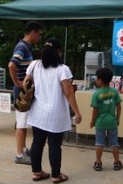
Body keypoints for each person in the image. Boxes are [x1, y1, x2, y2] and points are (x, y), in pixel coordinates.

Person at [25, 37, 82, 183]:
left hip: (37, 111)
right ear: (58, 51)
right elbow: (68, 93)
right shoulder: (62, 69)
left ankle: (36, 172)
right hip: (56, 113)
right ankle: (56, 175)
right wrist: (77, 112)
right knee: (55, 145)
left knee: (37, 142)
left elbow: (26, 83)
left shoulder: (35, 65)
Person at [8, 21, 43, 165]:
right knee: (22, 124)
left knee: (23, 122)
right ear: (33, 32)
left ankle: (22, 148)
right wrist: (18, 82)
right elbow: (12, 65)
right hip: (22, 91)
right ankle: (19, 155)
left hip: (25, 90)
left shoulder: (25, 46)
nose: (40, 37)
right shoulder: (22, 47)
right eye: (39, 34)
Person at [90, 67, 123, 171]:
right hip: (112, 122)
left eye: (96, 78)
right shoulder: (114, 92)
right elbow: (119, 106)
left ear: (99, 80)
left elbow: (95, 110)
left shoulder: (96, 94)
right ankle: (117, 163)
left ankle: (98, 163)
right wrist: (117, 118)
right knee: (114, 143)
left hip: (100, 123)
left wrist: (92, 121)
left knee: (99, 143)